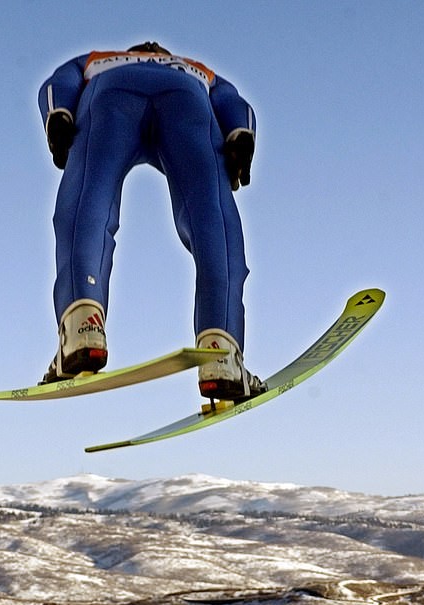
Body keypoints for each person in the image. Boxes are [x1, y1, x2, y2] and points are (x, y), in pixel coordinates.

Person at [38, 42, 264, 401]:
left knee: (89, 191)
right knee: (212, 214)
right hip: (187, 96)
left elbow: (58, 81)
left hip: (111, 92)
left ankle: (82, 322)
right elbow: (231, 99)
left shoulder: (96, 60)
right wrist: (239, 134)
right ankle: (221, 346)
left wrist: (60, 114)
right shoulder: (194, 67)